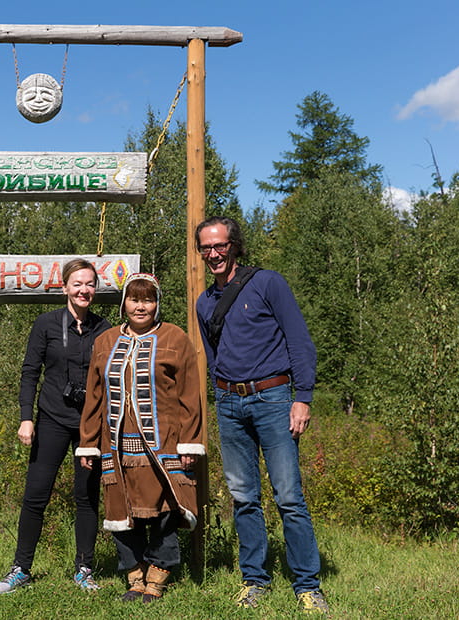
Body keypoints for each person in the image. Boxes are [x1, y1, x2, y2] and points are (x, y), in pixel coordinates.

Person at [194, 216, 329, 614]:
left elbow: (300, 342)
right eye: (206, 248)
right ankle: (255, 581)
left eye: (220, 245)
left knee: (289, 497)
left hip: (274, 400)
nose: (214, 254)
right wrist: (220, 396)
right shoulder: (204, 303)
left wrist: (301, 397)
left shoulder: (268, 283)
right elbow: (213, 358)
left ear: (234, 245)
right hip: (230, 405)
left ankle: (307, 585)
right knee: (243, 498)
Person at [75, 273, 204, 603]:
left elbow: (191, 394)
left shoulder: (175, 338)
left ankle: (157, 580)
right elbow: (94, 395)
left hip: (164, 443)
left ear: (157, 303)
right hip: (116, 444)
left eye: (148, 299)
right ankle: (134, 577)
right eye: (134, 299)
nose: (141, 306)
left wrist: (190, 442)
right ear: (124, 304)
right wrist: (88, 442)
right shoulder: (105, 341)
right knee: (122, 509)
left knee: (165, 509)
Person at [0, 258, 111, 594]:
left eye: (89, 284)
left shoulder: (104, 329)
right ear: (65, 288)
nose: (84, 290)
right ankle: (20, 569)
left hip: (90, 425)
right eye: (77, 284)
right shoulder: (45, 324)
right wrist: (25, 418)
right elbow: (30, 372)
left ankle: (84, 568)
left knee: (86, 497)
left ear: (95, 289)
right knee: (36, 495)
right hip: (52, 419)